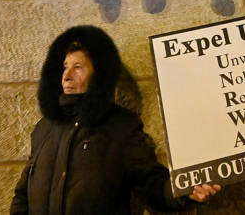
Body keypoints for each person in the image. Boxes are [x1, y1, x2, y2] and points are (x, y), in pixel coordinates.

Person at [11, 25, 219, 213]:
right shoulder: (45, 128)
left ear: (99, 75)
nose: (66, 76)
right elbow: (23, 193)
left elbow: (152, 184)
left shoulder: (120, 127)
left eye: (78, 67)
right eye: (65, 67)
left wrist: (184, 190)